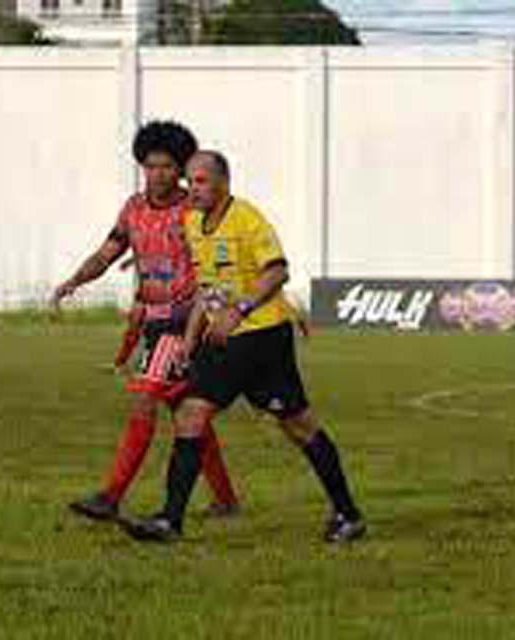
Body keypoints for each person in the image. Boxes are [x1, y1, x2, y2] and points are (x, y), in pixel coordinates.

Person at [119, 150, 365, 543]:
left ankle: (348, 514)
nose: (192, 188)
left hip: (264, 340)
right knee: (191, 414)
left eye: (200, 181)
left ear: (223, 183)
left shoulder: (247, 218)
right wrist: (188, 339)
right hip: (225, 342)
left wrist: (241, 309)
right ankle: (169, 521)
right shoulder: (194, 223)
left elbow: (278, 271)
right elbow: (205, 289)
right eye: (190, 180)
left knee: (298, 425)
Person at [51, 123, 239, 521]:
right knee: (188, 411)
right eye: (150, 166)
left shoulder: (194, 208)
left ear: (182, 169)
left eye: (167, 166)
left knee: (145, 397)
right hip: (154, 323)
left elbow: (221, 259)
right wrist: (74, 281)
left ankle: (111, 496)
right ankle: (225, 500)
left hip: (185, 320)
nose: (158, 174)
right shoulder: (133, 208)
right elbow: (106, 253)